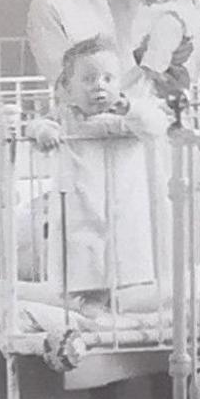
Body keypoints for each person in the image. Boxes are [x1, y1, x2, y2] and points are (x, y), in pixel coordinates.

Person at [24, 39, 168, 302]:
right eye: (88, 79)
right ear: (67, 89)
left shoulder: (129, 115)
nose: (99, 85)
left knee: (127, 266)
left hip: (125, 205)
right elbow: (34, 126)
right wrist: (45, 131)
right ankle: (87, 309)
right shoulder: (66, 115)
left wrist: (129, 107)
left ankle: (123, 310)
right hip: (81, 205)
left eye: (108, 78)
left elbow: (157, 126)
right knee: (82, 265)